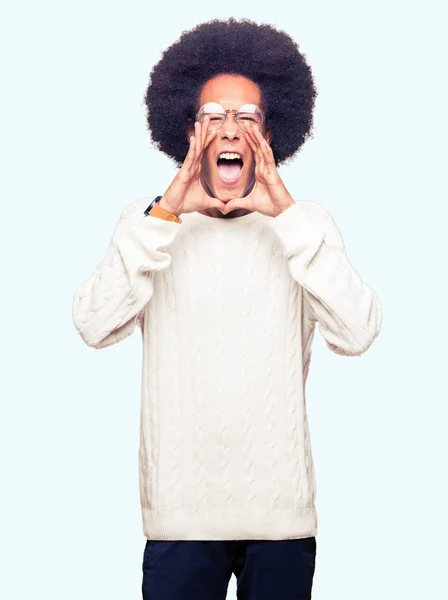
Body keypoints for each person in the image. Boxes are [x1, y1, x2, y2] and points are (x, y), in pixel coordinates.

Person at [72, 17, 383, 600]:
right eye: (214, 116)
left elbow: (358, 330)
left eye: (247, 117)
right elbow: (93, 324)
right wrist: (166, 212)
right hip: (180, 522)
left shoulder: (304, 225)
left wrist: (286, 215)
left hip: (281, 522)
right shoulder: (151, 225)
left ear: (270, 134)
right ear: (190, 133)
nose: (230, 129)